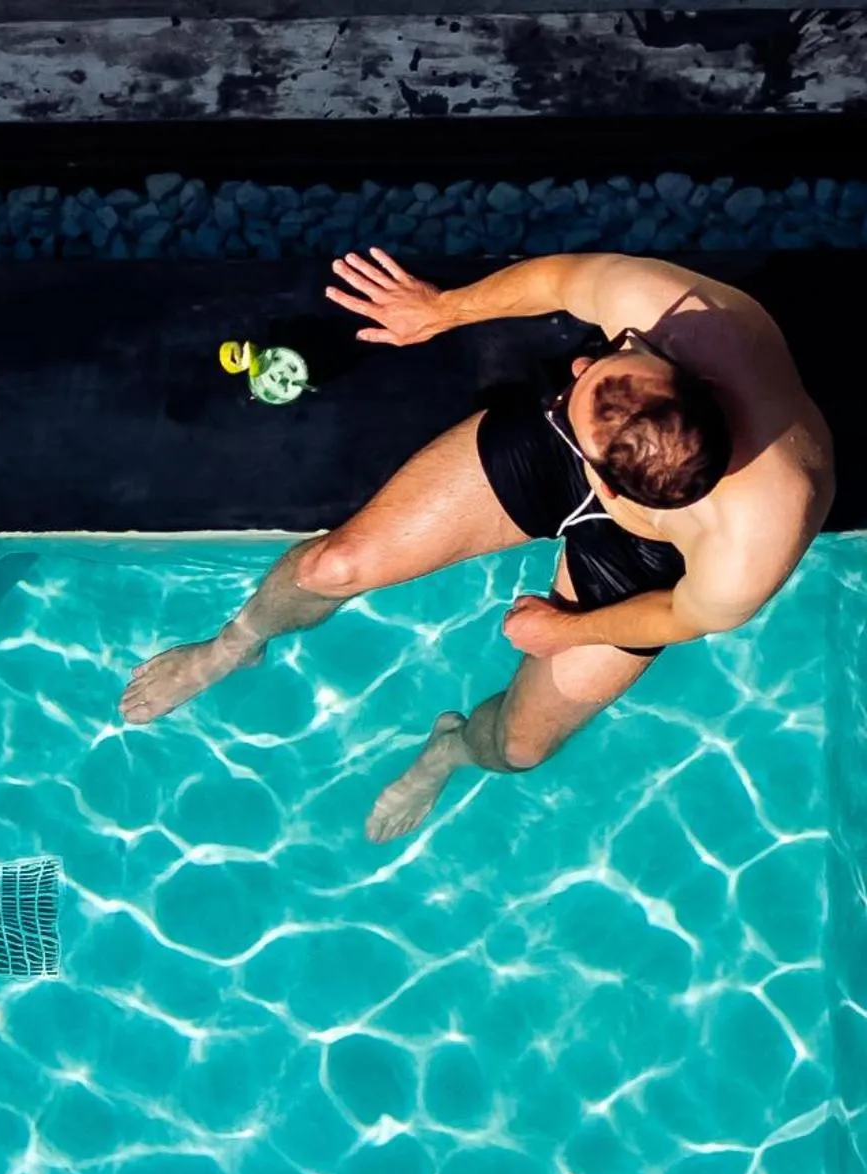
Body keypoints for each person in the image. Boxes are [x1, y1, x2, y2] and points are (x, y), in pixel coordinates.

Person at [123, 252, 834, 841]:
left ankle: (450, 749)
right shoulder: (675, 320)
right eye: (619, 357)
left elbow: (680, 613)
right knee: (332, 564)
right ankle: (234, 645)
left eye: (573, 391)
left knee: (520, 748)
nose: (581, 366)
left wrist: (566, 628)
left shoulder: (753, 541)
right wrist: (444, 309)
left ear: (613, 494)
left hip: (655, 559)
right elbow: (566, 280)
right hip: (586, 453)